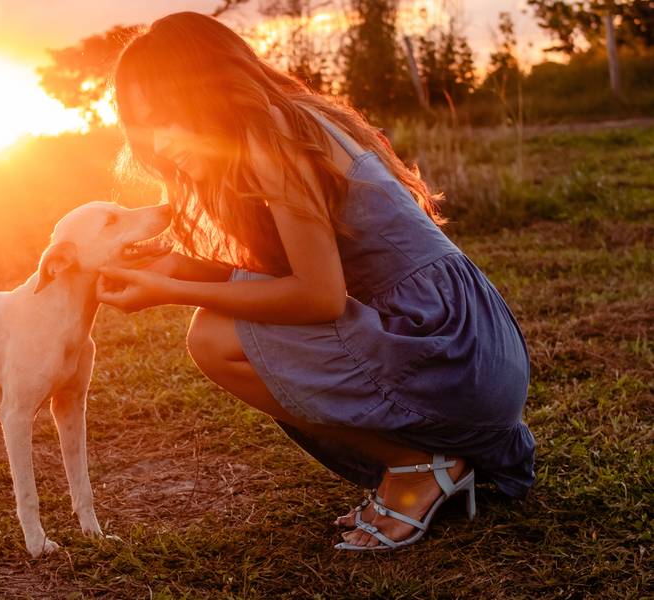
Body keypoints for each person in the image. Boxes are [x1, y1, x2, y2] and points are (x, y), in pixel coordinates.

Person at [96, 11, 535, 551]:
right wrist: (181, 268)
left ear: (207, 90)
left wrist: (170, 291)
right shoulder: (282, 123)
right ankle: (421, 460)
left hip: (453, 349)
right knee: (220, 326)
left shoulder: (273, 140)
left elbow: (318, 297)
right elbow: (296, 276)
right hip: (466, 344)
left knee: (212, 338)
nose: (160, 145)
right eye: (146, 126)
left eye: (167, 117)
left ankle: (417, 466)